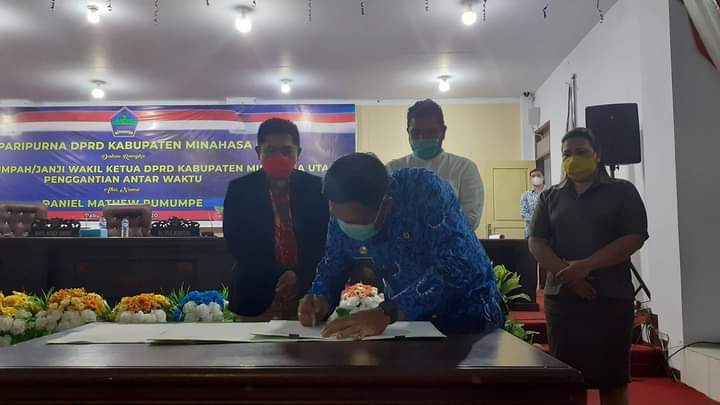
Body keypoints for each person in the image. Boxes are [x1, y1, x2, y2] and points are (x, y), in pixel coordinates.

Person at [298, 153, 504, 339]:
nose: (345, 227)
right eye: (338, 218)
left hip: (469, 321)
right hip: (408, 326)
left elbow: (458, 265)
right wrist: (320, 296)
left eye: (355, 222)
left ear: (385, 205)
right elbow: (334, 262)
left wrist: (387, 312)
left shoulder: (425, 192)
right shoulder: (343, 207)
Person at [528, 128, 648, 405]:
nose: (573, 159)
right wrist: (569, 276)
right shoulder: (550, 197)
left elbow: (634, 236)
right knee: (569, 382)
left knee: (613, 381)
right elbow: (536, 242)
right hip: (563, 300)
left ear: (598, 154)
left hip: (610, 298)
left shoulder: (622, 191)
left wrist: (587, 266)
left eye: (581, 152)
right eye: (566, 154)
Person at [223, 118, 329, 320]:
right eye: (271, 151)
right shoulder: (240, 190)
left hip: (308, 294)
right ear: (258, 152)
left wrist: (299, 275)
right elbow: (237, 243)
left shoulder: (317, 189)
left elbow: (324, 240)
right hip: (254, 294)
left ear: (298, 153)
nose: (279, 157)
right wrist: (279, 275)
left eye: (286, 151)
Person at [386, 99, 484, 230]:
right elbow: (382, 216)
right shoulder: (392, 169)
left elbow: (470, 219)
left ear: (443, 132)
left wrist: (433, 234)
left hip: (452, 242)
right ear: (408, 132)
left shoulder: (464, 168)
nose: (422, 138)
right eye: (415, 133)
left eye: (430, 132)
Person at [520, 169, 545, 238]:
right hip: (530, 232)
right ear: (530, 179)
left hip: (547, 232)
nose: (536, 178)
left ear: (543, 177)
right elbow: (523, 213)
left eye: (538, 175)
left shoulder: (550, 193)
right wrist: (538, 221)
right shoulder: (525, 195)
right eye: (533, 176)